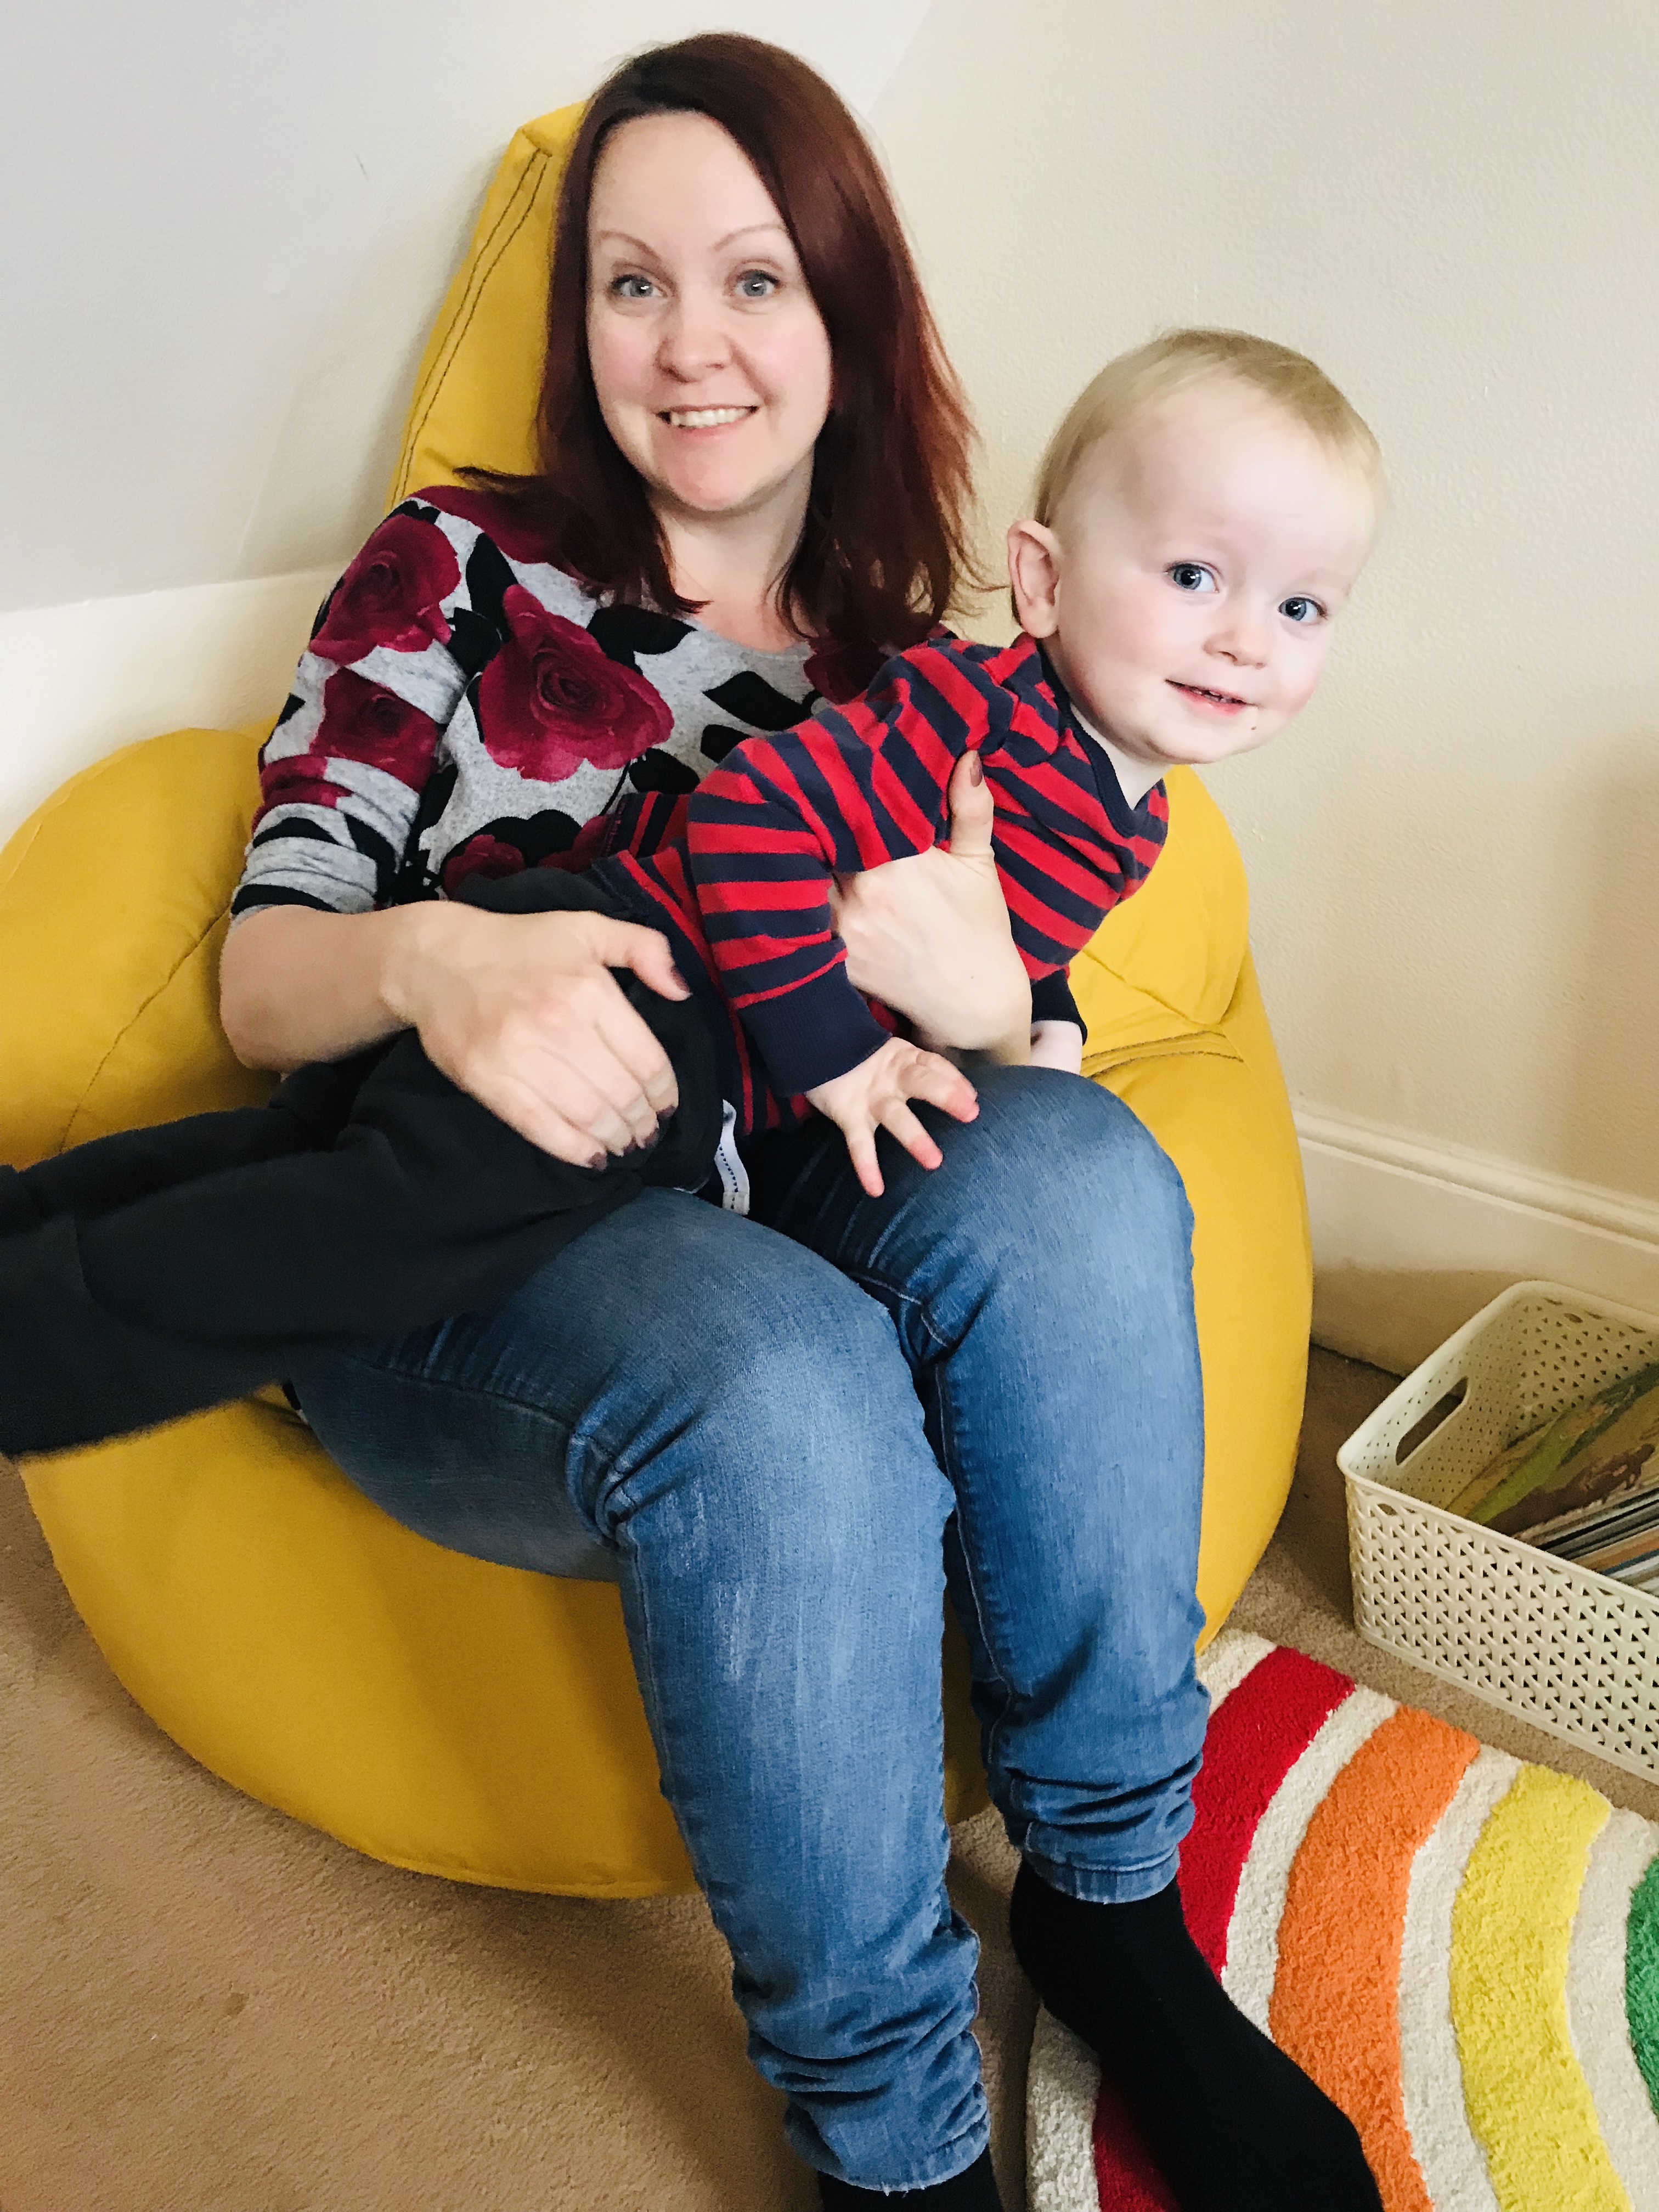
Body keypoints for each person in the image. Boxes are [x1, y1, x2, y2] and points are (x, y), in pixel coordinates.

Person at [53, 37, 1385, 2210]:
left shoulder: (930, 657)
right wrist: (434, 960)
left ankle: (1111, 1908)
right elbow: (256, 981)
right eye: (631, 282)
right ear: (577, 323)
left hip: (772, 1179)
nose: (691, 344)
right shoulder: (455, 564)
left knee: (1080, 1169)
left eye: (756, 279)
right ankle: (892, 2131)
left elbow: (990, 1060)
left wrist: (999, 1013)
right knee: (787, 1372)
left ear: (848, 316)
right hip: (463, 1241)